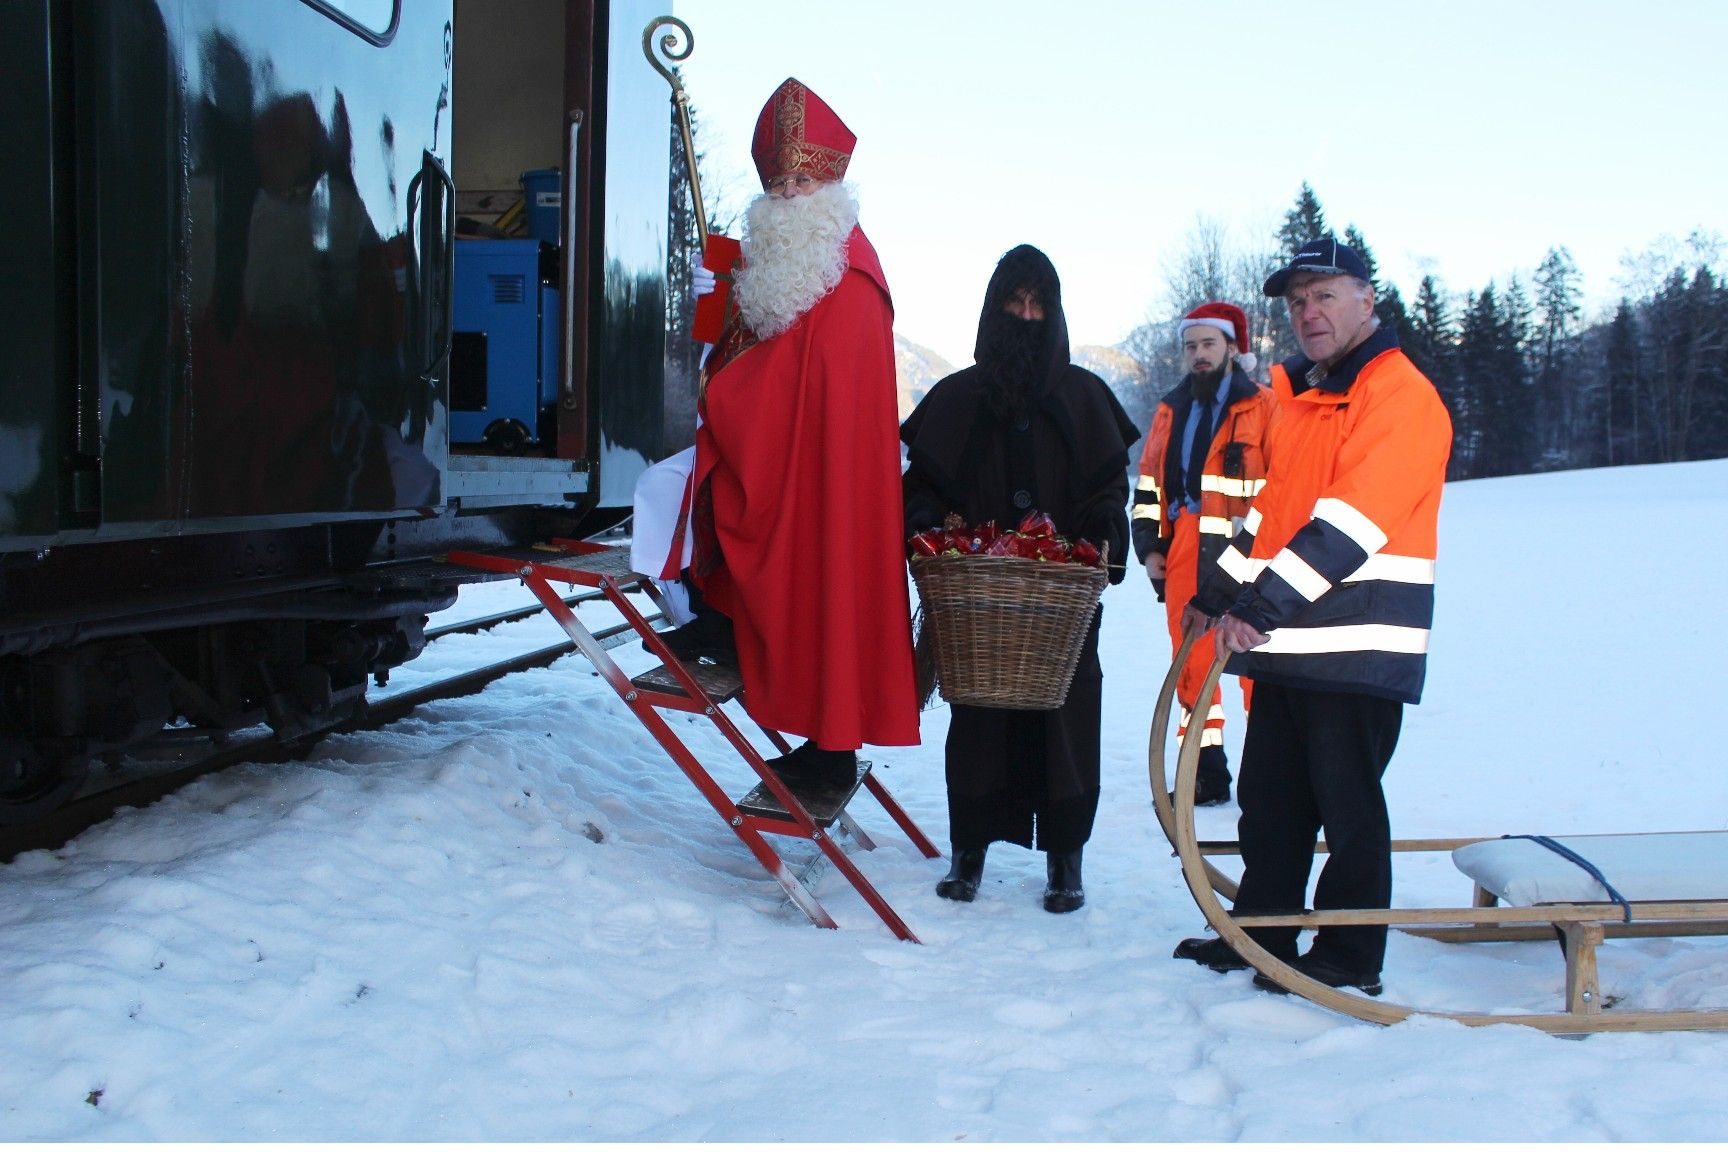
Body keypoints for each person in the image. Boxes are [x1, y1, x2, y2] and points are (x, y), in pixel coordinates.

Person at [1172, 238, 1452, 994]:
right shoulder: (1299, 401)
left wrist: (1259, 605)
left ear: (1368, 298)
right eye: (1297, 302)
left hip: (1359, 642)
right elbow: (1272, 519)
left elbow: (1354, 523)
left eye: (1325, 295)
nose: (1308, 313)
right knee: (1272, 802)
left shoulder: (1398, 395)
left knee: (1347, 807)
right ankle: (1259, 936)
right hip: (1292, 642)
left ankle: (1350, 955)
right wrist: (1216, 592)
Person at [676, 77, 920, 784]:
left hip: (821, 482)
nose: (786, 198)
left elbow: (784, 379)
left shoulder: (852, 278)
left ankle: (832, 749)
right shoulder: (780, 265)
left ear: (831, 188)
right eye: (777, 185)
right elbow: (748, 349)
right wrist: (714, 309)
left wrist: (727, 386)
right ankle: (720, 626)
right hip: (781, 462)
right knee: (694, 486)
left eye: (800, 186)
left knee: (828, 593)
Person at [902, 245, 1139, 913]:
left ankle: (1067, 859)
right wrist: (926, 521)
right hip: (977, 598)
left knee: (1067, 720)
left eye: (1038, 305)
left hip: (1059, 598)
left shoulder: (1084, 395)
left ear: (1055, 312)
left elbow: (1106, 488)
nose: (1026, 317)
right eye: (1015, 303)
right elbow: (920, 484)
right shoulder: (958, 397)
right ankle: (968, 850)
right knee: (976, 720)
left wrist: (1102, 537)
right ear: (994, 308)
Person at [1132, 302, 1279, 806]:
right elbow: (1149, 484)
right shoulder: (1172, 409)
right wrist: (1151, 547)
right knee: (1191, 665)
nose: (1198, 355)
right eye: (1190, 346)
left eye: (1208, 344)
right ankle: (1204, 773)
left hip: (1251, 547)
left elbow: (1282, 484)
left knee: (1258, 665)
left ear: (1232, 349)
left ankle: (1271, 779)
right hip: (1185, 550)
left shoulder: (1264, 406)